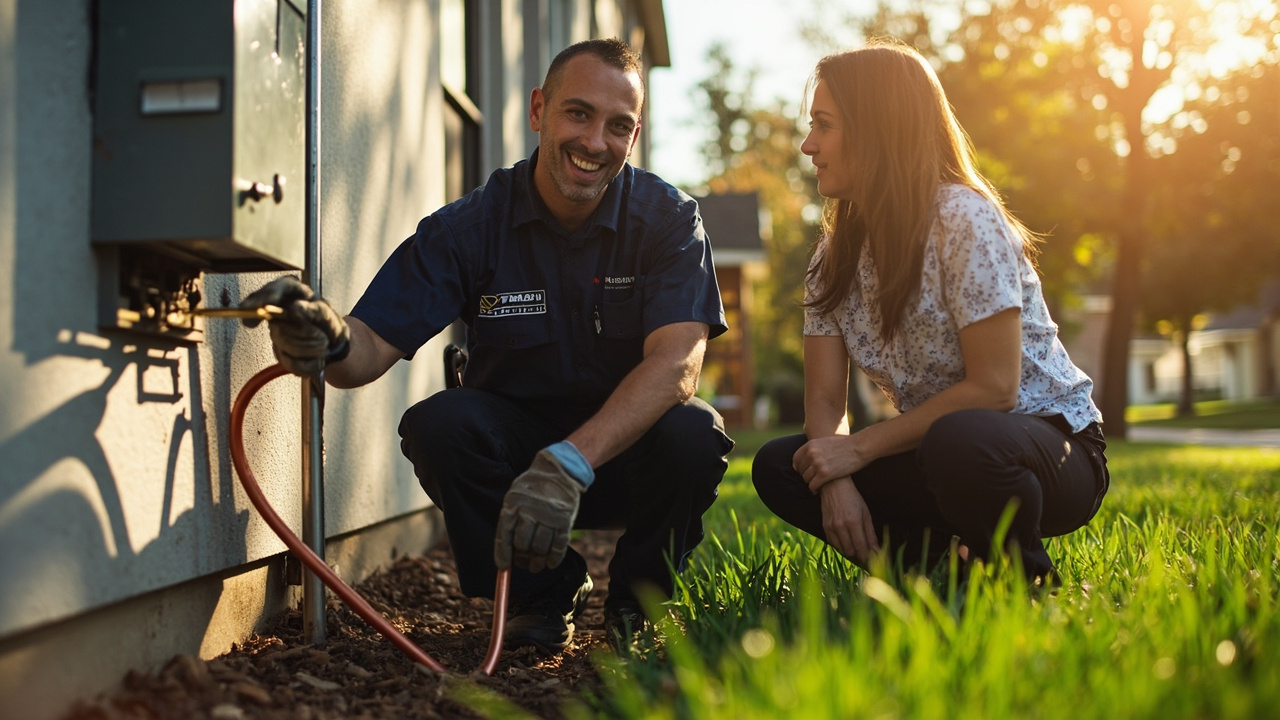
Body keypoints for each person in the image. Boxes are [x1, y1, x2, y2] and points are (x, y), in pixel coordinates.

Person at [240, 38, 733, 653]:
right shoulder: (469, 228)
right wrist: (327, 338)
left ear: (635, 136)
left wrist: (571, 462)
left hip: (625, 457)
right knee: (438, 424)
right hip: (516, 466)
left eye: (618, 126)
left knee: (694, 431)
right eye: (577, 113)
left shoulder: (668, 220)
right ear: (538, 111)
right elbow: (365, 351)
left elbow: (675, 366)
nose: (595, 142)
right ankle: (541, 591)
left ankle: (640, 604)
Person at [751, 41, 1109, 584]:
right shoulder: (833, 256)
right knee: (782, 464)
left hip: (1048, 449)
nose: (808, 145)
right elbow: (825, 399)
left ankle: (1023, 581)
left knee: (961, 439)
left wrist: (858, 451)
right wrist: (835, 480)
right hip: (939, 451)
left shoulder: (961, 218)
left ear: (877, 129)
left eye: (823, 126)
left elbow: (995, 390)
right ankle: (931, 573)